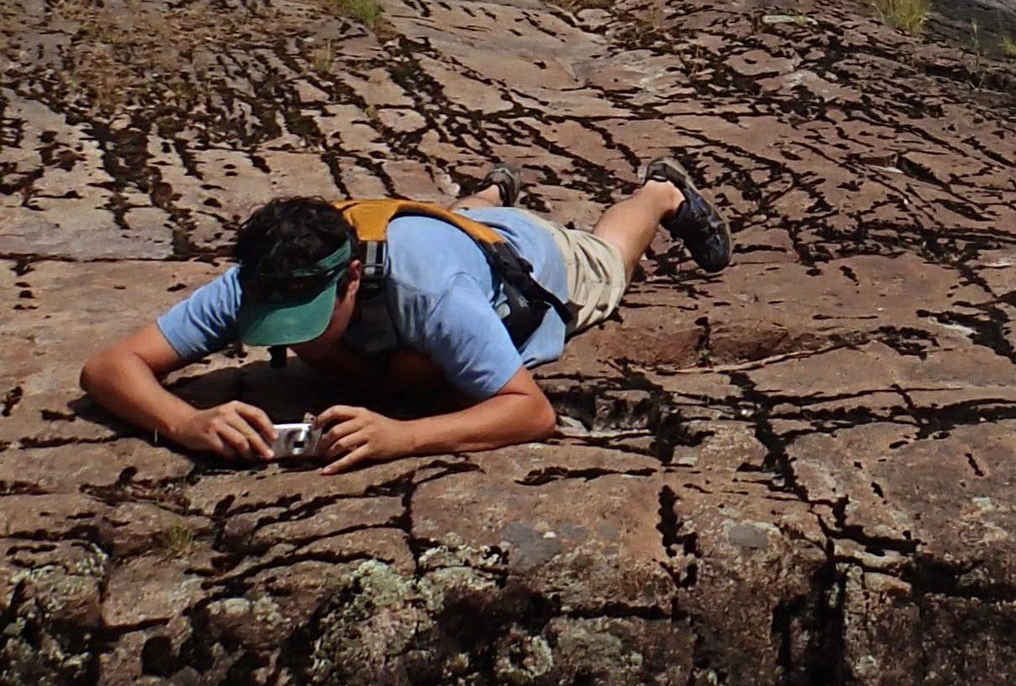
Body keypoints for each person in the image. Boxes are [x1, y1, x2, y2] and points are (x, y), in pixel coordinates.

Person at [78, 164, 731, 471]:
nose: (289, 337)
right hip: (433, 231)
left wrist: (402, 438)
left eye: (304, 319)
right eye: (273, 323)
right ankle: (485, 195)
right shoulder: (260, 279)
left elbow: (531, 412)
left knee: (608, 260)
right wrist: (186, 421)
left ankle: (659, 192)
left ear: (351, 279)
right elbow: (110, 368)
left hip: (522, 256)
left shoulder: (432, 294)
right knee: (455, 228)